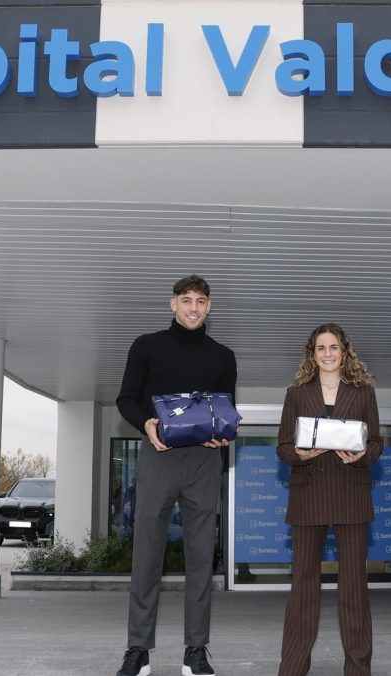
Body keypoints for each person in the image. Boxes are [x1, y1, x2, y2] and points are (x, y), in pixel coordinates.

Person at [114, 275, 237, 676]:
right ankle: (138, 649)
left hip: (203, 462)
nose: (193, 308)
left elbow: (224, 409)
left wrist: (223, 436)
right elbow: (125, 399)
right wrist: (146, 426)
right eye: (186, 300)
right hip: (159, 456)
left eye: (201, 301)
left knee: (201, 556)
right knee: (146, 554)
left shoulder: (223, 356)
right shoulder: (146, 346)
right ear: (173, 304)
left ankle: (195, 650)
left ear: (209, 307)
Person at [276, 323, 382, 676]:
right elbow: (283, 446)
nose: (327, 354)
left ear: (344, 351)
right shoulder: (296, 393)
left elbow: (377, 442)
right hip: (309, 496)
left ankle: (358, 668)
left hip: (351, 494)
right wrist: (301, 455)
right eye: (320, 348)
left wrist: (363, 455)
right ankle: (292, 667)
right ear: (312, 353)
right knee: (303, 587)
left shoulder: (364, 392)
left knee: (353, 588)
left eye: (333, 347)